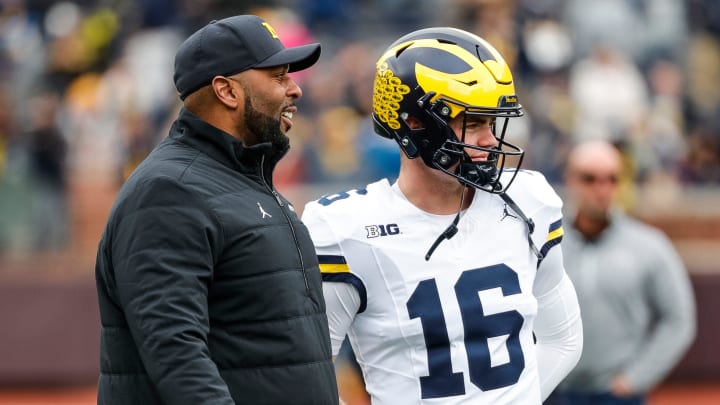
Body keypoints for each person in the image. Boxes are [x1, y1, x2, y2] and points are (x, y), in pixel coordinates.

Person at [301, 27, 583, 404]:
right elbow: (308, 371)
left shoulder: (528, 201)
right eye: (474, 122)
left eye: (492, 123)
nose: (490, 141)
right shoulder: (345, 229)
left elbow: (562, 339)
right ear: (415, 122)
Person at [94, 15, 338, 405]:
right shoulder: (170, 191)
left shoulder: (243, 182)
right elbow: (176, 353)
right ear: (226, 91)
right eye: (278, 76)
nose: (295, 90)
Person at [545, 140, 696, 405]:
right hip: (553, 390)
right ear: (570, 179)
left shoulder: (649, 246)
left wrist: (634, 379)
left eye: (612, 179)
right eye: (589, 179)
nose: (602, 190)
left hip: (617, 394)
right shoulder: (544, 243)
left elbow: (678, 320)